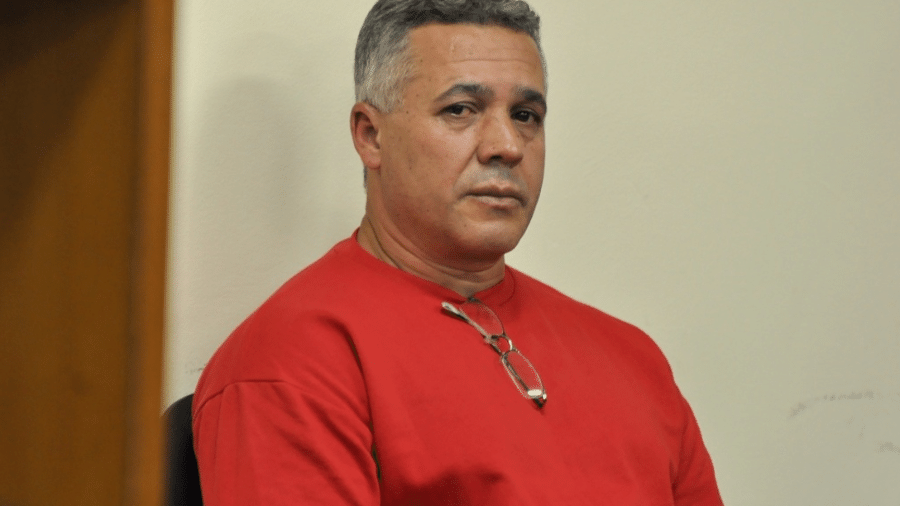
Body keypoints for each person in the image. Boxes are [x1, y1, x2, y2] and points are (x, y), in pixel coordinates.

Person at [192, 0, 724, 504]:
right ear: (371, 136)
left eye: (526, 115)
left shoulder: (633, 360)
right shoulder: (291, 363)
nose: (507, 146)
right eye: (461, 109)